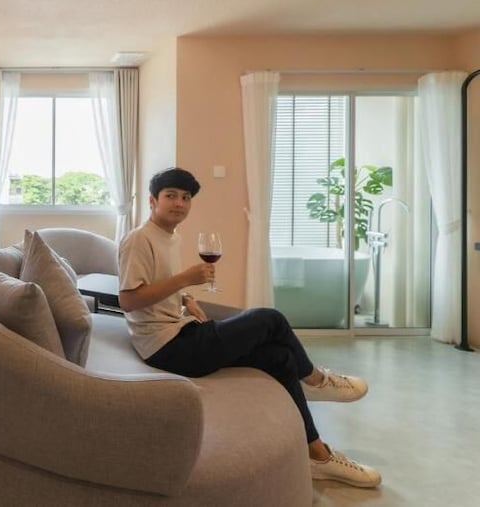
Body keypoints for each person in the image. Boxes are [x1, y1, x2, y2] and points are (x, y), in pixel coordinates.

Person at [118, 167, 381, 488]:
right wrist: (186, 279)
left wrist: (185, 298)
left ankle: (318, 456)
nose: (179, 203)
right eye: (170, 196)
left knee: (281, 358)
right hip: (168, 347)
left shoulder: (171, 237)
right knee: (270, 319)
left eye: (185, 198)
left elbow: (156, 282)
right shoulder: (138, 239)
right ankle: (316, 380)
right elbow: (128, 300)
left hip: (182, 331)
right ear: (152, 201)